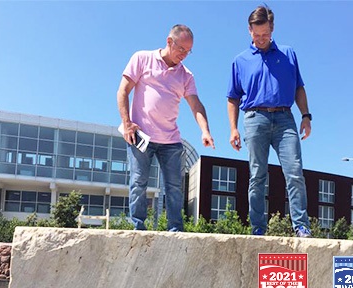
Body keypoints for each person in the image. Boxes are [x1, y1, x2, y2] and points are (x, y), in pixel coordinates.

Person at [117, 24, 215, 232]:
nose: (184, 55)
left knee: (174, 187)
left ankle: (175, 229)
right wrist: (126, 123)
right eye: (181, 49)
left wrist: (205, 130)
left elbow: (196, 105)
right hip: (141, 136)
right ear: (169, 41)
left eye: (188, 52)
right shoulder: (142, 59)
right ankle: (138, 227)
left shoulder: (186, 75)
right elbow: (123, 91)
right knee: (138, 182)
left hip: (170, 141)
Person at [227, 6, 313, 238]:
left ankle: (301, 226)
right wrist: (233, 128)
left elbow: (298, 87)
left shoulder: (288, 54)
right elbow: (233, 97)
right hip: (255, 119)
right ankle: (257, 228)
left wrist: (306, 115)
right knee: (257, 175)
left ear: (272, 29)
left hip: (286, 119)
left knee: (294, 172)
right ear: (249, 31)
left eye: (265, 34)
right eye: (256, 35)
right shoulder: (240, 61)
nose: (261, 39)